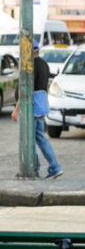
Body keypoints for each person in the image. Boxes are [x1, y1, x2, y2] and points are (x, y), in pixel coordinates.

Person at [11, 43, 63, 179]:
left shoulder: (29, 66)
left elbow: (25, 91)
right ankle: (53, 167)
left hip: (30, 109)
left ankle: (36, 168)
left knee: (29, 140)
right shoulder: (44, 64)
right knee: (40, 139)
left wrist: (16, 111)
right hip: (40, 108)